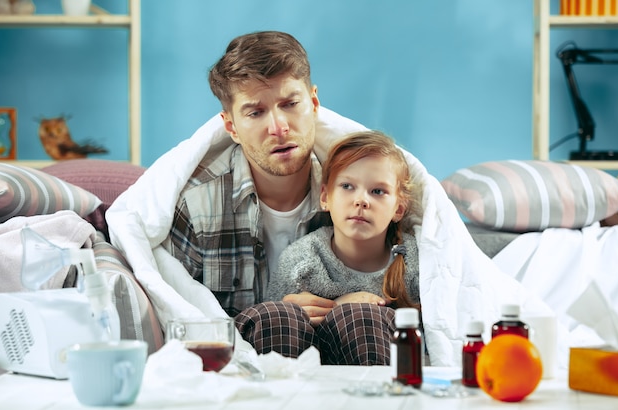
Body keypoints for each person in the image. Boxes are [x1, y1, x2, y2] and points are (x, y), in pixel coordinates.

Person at [107, 30, 556, 368]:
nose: (278, 126)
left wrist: (358, 303)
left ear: (314, 103)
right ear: (230, 126)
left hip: (361, 338)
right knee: (278, 322)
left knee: (372, 316)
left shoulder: (355, 183)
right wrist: (281, 311)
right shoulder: (199, 207)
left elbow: (440, 277)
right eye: (255, 111)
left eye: (290, 103)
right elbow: (190, 316)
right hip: (265, 351)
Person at [266, 131, 423, 363]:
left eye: (378, 191)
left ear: (399, 209)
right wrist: (337, 304)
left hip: (378, 366)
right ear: (325, 197)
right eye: (347, 186)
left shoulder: (415, 262)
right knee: (272, 314)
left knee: (362, 316)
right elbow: (273, 329)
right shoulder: (301, 261)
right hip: (306, 370)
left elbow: (437, 337)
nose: (361, 200)